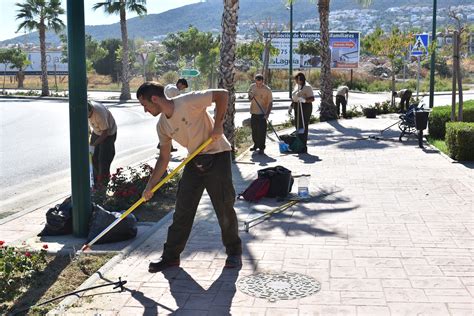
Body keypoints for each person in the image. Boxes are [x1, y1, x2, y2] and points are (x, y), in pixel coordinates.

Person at [136, 82, 242, 273]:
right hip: (194, 159)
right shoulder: (162, 126)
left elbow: (222, 94)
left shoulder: (187, 101)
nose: (144, 110)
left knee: (224, 206)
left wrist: (218, 126)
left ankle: (234, 252)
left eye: (145, 105)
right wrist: (150, 185)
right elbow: (164, 157)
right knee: (182, 209)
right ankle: (171, 257)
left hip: (217, 155)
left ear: (154, 99)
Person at [87, 100, 117, 186]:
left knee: (103, 159)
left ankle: (103, 184)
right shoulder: (84, 110)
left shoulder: (99, 114)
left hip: (108, 134)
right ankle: (95, 181)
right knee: (93, 157)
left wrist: (94, 144)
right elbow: (87, 128)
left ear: (91, 111)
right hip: (96, 132)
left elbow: (105, 133)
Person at [160, 78, 189, 152]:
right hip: (170, 111)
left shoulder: (169, 86)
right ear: (180, 84)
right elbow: (177, 102)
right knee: (171, 128)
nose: (182, 89)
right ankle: (163, 145)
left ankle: (167, 146)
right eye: (183, 87)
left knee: (168, 128)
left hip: (163, 110)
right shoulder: (175, 90)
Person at [289, 72, 314, 153]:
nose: (296, 81)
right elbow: (295, 97)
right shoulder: (297, 86)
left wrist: (304, 100)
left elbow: (312, 98)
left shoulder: (307, 87)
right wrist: (291, 106)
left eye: (297, 80)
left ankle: (303, 146)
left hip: (305, 107)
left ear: (301, 79)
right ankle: (298, 143)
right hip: (297, 106)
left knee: (303, 126)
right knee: (297, 125)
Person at [247, 74, 273, 155]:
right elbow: (249, 98)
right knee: (254, 131)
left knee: (261, 132)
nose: (258, 85)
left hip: (262, 114)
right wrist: (250, 96)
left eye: (260, 83)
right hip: (253, 112)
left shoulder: (267, 90)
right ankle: (255, 145)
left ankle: (261, 148)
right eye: (257, 83)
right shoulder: (252, 86)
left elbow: (270, 103)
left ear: (263, 81)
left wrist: (267, 114)